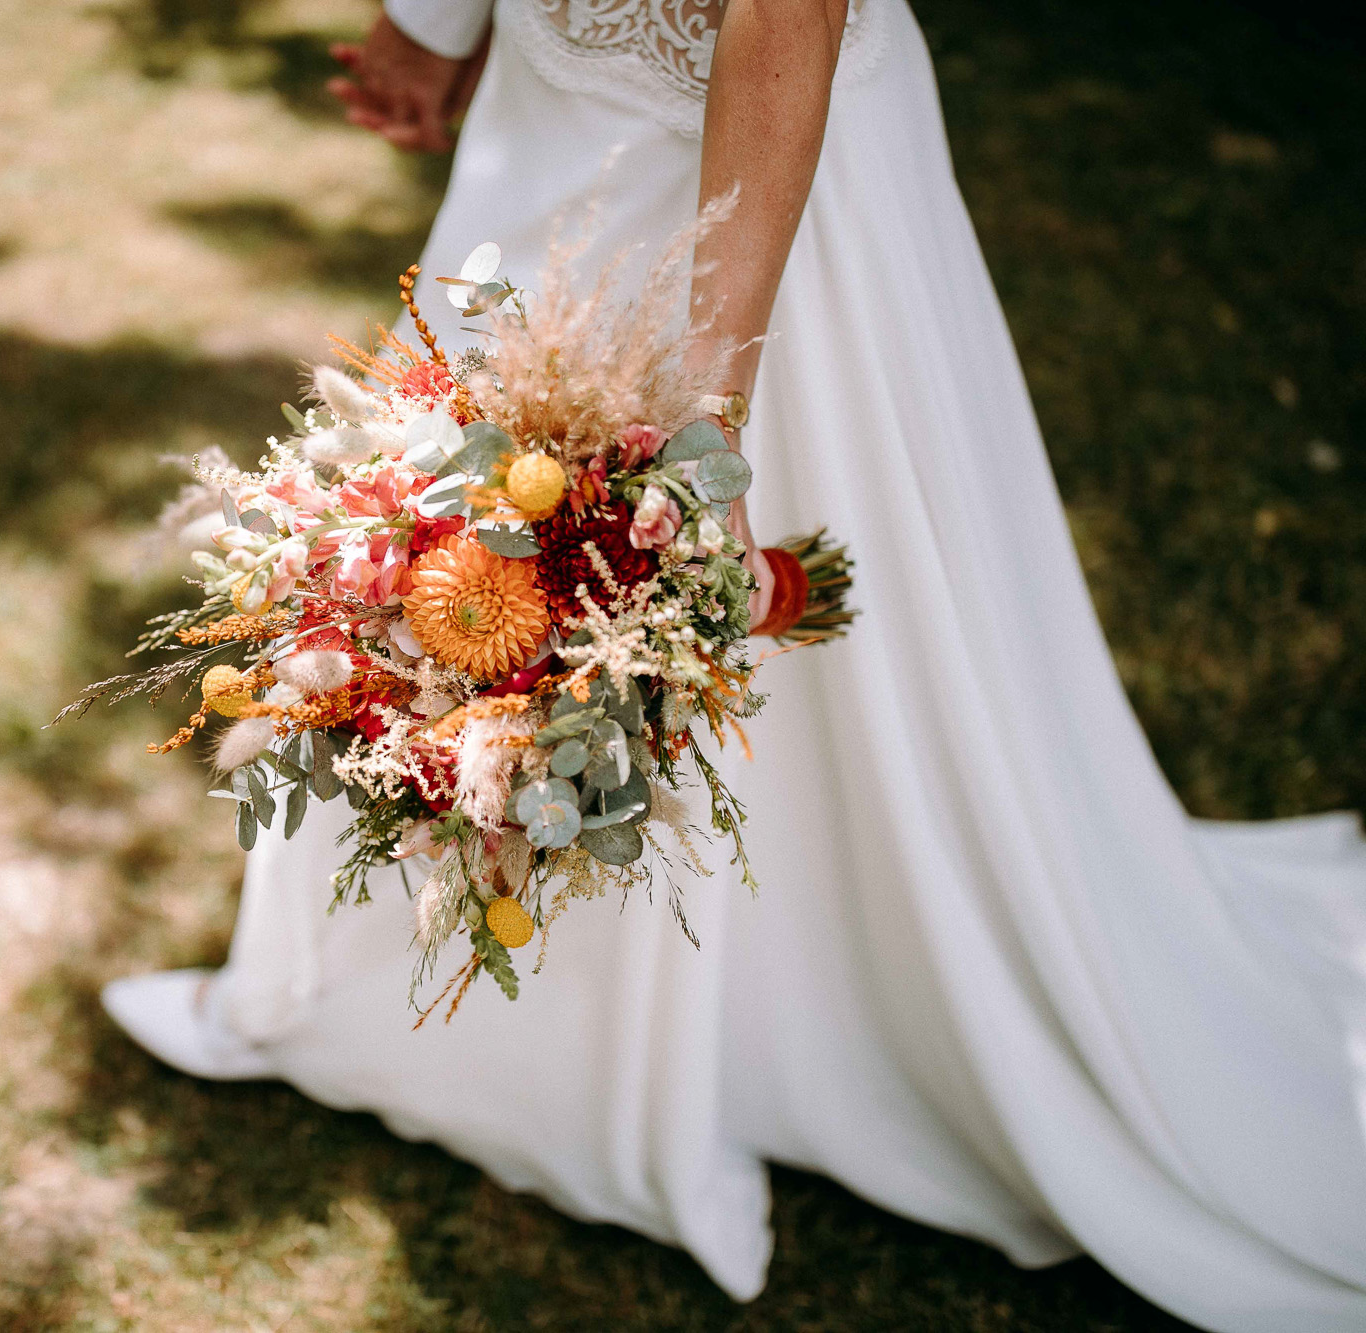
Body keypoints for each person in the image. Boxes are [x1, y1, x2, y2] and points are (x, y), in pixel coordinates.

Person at [103, 2, 1366, 1327]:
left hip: (761, 190)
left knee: (697, 592)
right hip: (550, 125)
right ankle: (418, 1010)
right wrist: (437, 16)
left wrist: (703, 429)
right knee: (460, 577)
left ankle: (805, 1019)